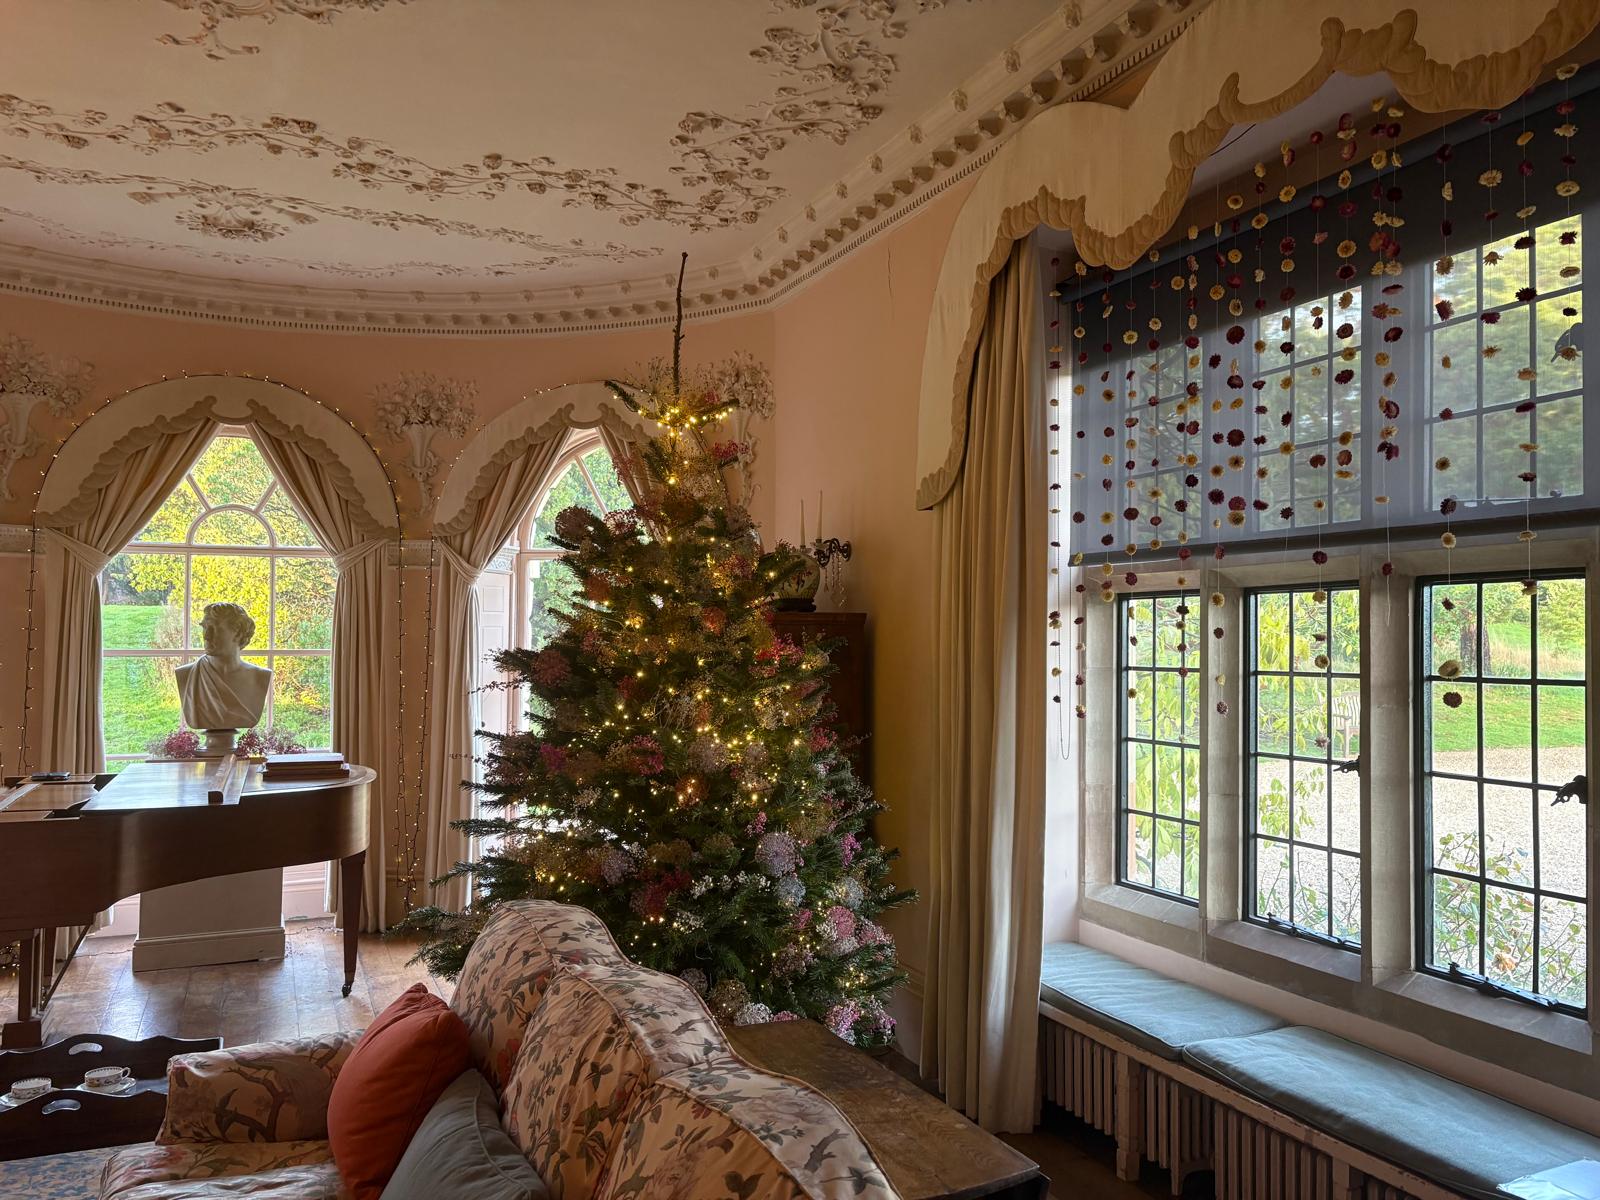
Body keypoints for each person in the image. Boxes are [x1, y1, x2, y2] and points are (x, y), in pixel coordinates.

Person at [174, 602, 273, 744]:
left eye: (215, 628)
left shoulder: (260, 677)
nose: (206, 636)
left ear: (238, 632)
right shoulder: (186, 675)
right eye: (204, 628)